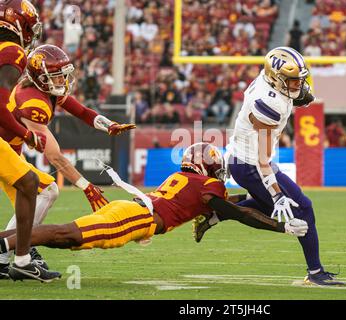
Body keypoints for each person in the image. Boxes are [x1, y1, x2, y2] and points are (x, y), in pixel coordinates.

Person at [0, 143, 308, 278]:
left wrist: (253, 199)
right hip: (134, 219)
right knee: (66, 233)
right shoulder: (207, 187)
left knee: (67, 237)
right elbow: (234, 212)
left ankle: (6, 241)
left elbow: (230, 205)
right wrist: (280, 227)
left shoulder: (187, 179)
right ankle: (5, 245)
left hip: (131, 211)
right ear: (209, 167)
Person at [194, 47, 345, 286]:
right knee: (303, 207)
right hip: (250, 163)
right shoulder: (269, 104)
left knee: (267, 205)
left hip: (244, 159)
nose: (298, 85)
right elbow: (263, 161)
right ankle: (315, 272)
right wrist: (277, 194)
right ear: (276, 78)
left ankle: (218, 213)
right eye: (292, 80)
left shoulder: (269, 81)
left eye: (299, 80)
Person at [0, 44, 137, 279]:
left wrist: (109, 126)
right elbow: (54, 156)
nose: (62, 80)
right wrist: (86, 186)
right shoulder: (33, 102)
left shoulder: (43, 90)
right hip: (5, 152)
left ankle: (12, 253)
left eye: (63, 74)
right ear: (39, 78)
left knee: (42, 193)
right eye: (56, 76)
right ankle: (11, 253)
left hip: (10, 152)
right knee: (47, 191)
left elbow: (83, 112)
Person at [0, 0, 60, 282]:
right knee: (32, 185)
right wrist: (27, 135)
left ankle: (15, 257)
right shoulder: (12, 51)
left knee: (32, 185)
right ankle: (19, 259)